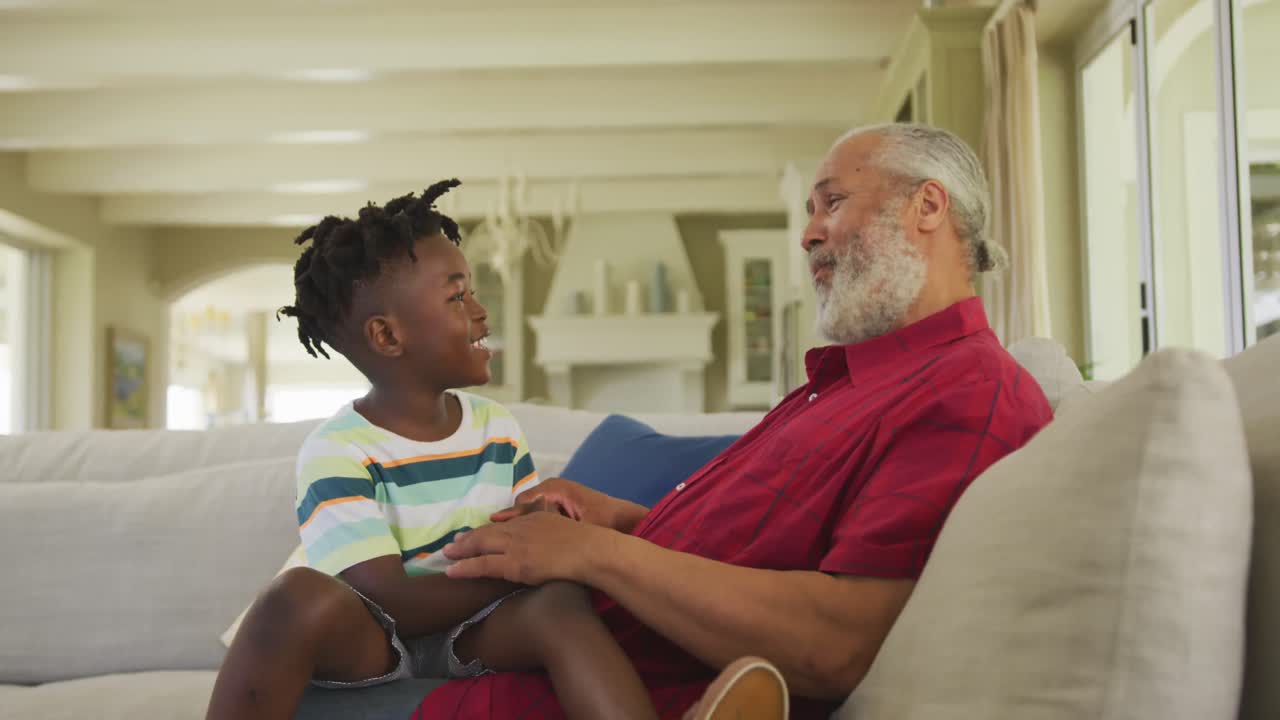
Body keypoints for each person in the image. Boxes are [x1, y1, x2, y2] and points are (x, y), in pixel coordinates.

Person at [406, 123, 1055, 719]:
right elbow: (756, 555)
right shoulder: (849, 384)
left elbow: (839, 644)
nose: (806, 235)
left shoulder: (968, 393)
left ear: (928, 207)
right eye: (809, 212)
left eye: (832, 203)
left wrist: (595, 553)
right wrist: (620, 520)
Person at [204, 181, 781, 720]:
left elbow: (524, 537)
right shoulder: (336, 450)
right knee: (294, 597)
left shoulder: (495, 428)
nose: (481, 312)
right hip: (374, 640)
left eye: (473, 291)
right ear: (387, 336)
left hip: (471, 628)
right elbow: (386, 598)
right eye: (458, 298)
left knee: (560, 603)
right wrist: (527, 565)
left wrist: (548, 529)